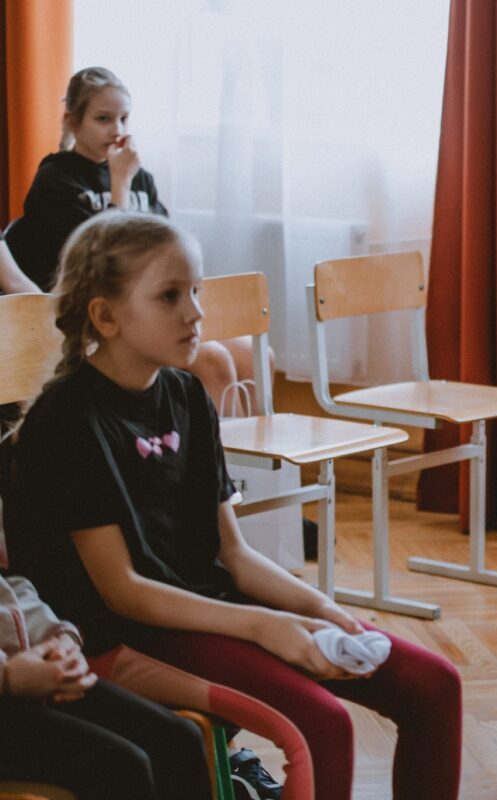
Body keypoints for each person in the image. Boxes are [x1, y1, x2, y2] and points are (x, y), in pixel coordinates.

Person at [6, 211, 461, 800]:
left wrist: (325, 609)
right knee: (322, 725)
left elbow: (235, 555)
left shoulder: (187, 394)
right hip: (126, 635)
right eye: (170, 296)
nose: (195, 312)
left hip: (209, 608)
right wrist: (265, 626)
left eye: (196, 290)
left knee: (434, 684)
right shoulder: (67, 419)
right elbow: (125, 592)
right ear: (106, 316)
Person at [6, 66, 258, 406]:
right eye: (103, 119)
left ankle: (245, 442)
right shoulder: (56, 179)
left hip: (149, 307)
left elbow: (167, 250)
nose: (118, 130)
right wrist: (120, 184)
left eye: (124, 119)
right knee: (215, 362)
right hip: (97, 318)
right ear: (72, 122)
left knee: (253, 355)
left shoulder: (139, 177)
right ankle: (205, 443)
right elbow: (103, 262)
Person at [0, 405, 211, 800]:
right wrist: (9, 677)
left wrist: (61, 641)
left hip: (29, 674)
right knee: (123, 765)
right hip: (10, 686)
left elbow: (10, 582)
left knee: (179, 738)